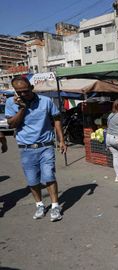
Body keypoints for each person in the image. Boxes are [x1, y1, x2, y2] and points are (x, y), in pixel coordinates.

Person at [5, 76, 67, 221]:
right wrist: (21, 109)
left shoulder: (45, 101)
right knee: (32, 180)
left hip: (45, 145)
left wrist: (61, 140)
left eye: (25, 91)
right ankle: (39, 205)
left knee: (49, 176)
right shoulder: (11, 102)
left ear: (32, 88)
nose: (22, 94)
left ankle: (55, 206)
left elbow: (57, 119)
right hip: (26, 148)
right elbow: (12, 124)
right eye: (18, 92)